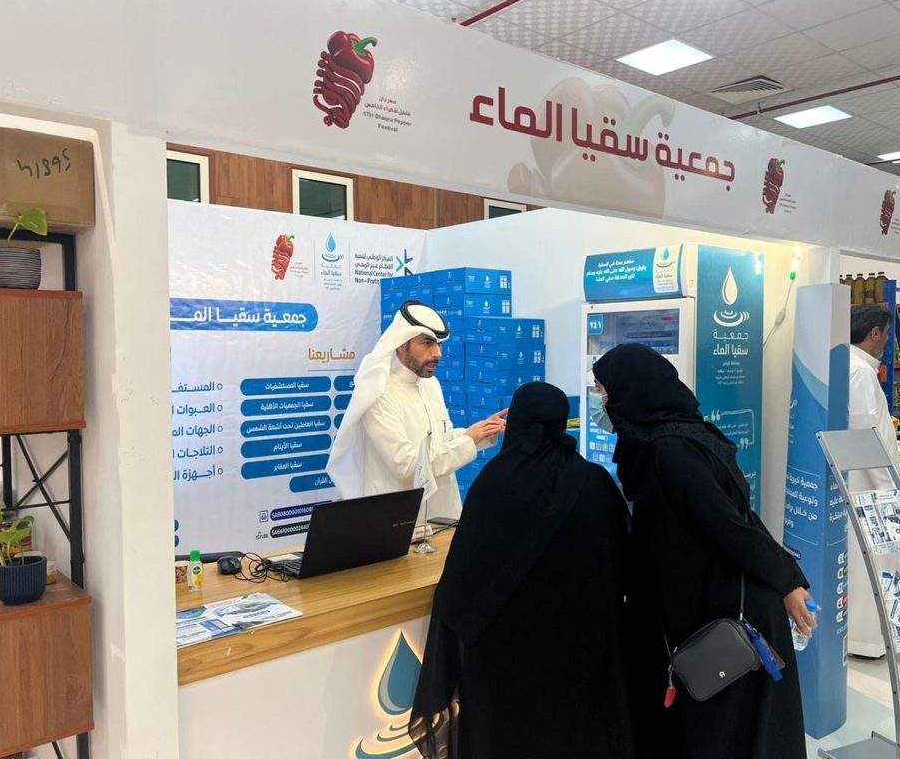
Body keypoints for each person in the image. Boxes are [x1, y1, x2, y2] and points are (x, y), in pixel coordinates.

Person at [592, 343, 814, 759]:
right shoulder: (676, 436)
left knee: (718, 726)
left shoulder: (670, 450)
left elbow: (728, 524)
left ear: (632, 390)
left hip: (715, 607)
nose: (602, 401)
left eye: (605, 391)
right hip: (701, 598)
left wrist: (786, 580)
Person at [409, 382, 635, 759]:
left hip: (503, 668)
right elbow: (622, 563)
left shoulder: (494, 483)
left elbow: (460, 582)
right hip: (582, 656)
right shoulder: (595, 482)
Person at [327, 301, 505, 525]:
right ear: (402, 344)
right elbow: (407, 466)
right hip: (396, 520)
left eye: (439, 344)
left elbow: (442, 439)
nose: (437, 353)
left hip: (440, 514)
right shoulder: (379, 394)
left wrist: (479, 432)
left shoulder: (431, 384)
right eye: (427, 344)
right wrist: (468, 441)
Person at [847, 303, 900, 658]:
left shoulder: (855, 367)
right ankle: (865, 641)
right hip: (867, 485)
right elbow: (864, 433)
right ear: (875, 333)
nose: (887, 342)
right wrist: (886, 489)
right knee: (867, 561)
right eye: (887, 334)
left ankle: (867, 639)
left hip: (865, 481)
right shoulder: (860, 372)